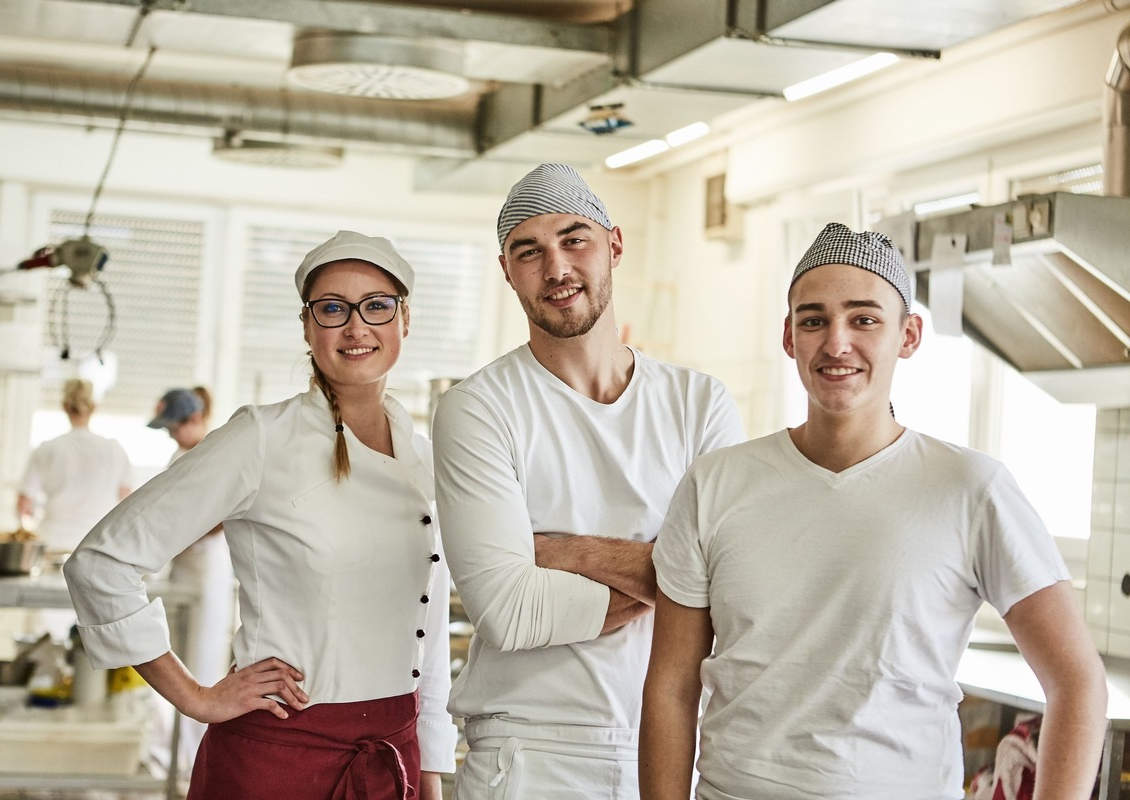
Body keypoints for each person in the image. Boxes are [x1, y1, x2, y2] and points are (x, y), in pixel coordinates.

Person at [640, 223, 1108, 800]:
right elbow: (671, 686)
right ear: (789, 337)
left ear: (908, 335)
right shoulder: (716, 483)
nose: (836, 343)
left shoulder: (970, 488)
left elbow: (1077, 681)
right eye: (814, 320)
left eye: (864, 319)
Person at [64, 230, 456, 800]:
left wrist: (430, 773)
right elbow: (102, 563)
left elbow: (432, 632)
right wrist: (197, 697)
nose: (356, 326)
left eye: (376, 305)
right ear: (306, 326)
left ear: (404, 319)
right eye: (331, 309)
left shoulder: (422, 458)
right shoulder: (262, 438)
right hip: (277, 759)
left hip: (391, 758)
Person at [432, 163, 746, 798]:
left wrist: (559, 551)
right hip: (526, 750)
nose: (556, 268)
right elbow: (510, 612)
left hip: (669, 747)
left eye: (574, 240)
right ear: (507, 271)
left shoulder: (698, 403)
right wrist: (673, 576)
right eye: (530, 252)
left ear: (615, 247)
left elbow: (734, 584)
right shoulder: (480, 407)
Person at [143, 385, 236, 783]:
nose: (168, 434)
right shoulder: (180, 456)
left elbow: (223, 514)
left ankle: (198, 763)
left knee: (202, 668)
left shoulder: (214, 454)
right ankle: (177, 758)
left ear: (194, 420)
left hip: (207, 572)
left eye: (172, 426)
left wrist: (182, 532)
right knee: (179, 664)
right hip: (184, 571)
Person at [17, 377, 133, 554]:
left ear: (65, 406)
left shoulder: (47, 449)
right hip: (98, 545)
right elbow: (127, 503)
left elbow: (24, 505)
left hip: (52, 543)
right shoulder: (115, 450)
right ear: (93, 407)